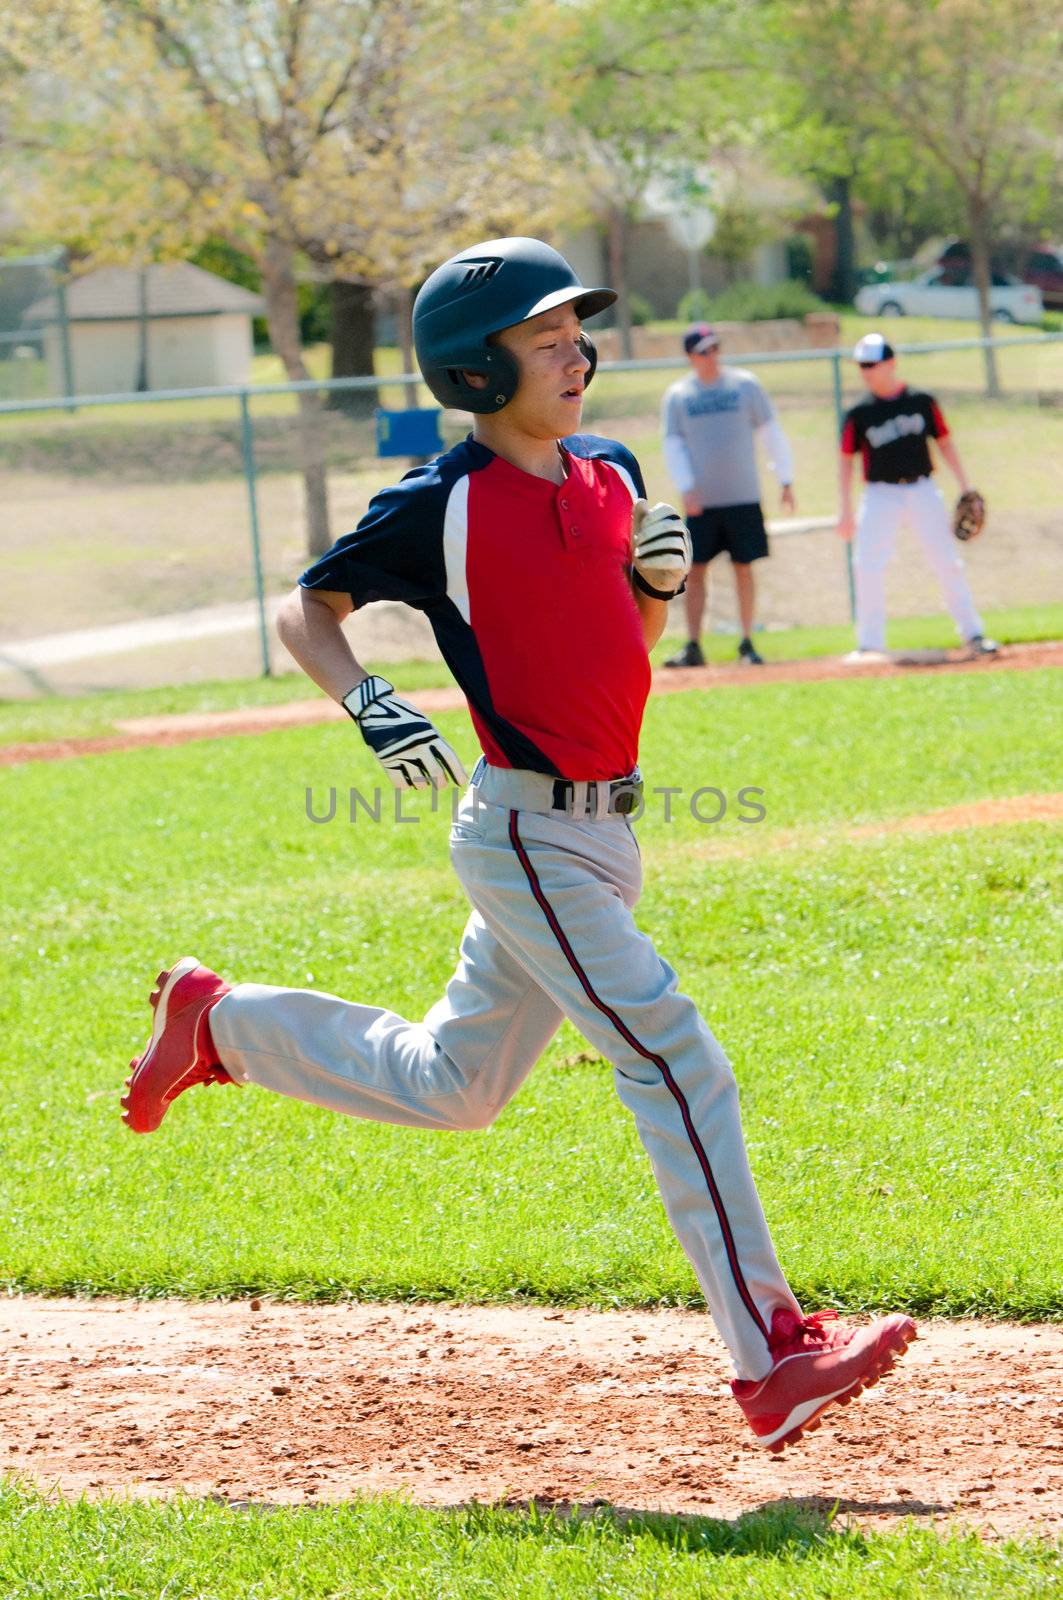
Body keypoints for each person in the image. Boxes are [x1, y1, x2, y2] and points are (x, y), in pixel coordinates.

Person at [121, 238, 915, 1452]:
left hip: (600, 835)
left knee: (455, 1086)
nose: (575, 353)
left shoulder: (610, 468)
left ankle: (220, 1022)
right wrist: (365, 696)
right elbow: (307, 603)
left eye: (575, 333)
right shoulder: (439, 502)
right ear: (476, 372)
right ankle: (772, 1355)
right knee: (675, 1056)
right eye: (543, 339)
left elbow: (626, 650)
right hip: (524, 832)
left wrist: (657, 582)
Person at [838, 332, 998, 661]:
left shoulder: (921, 401)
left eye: (871, 364)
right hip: (880, 494)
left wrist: (965, 485)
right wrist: (845, 510)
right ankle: (870, 644)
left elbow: (945, 442)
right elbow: (845, 461)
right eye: (861, 365)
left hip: (923, 489)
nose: (865, 371)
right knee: (866, 565)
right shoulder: (859, 413)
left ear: (891, 363)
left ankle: (973, 634)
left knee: (947, 563)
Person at [661, 323, 796, 668]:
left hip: (743, 496)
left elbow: (771, 432)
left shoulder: (745, 386)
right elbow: (673, 446)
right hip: (702, 502)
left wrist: (785, 478)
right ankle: (693, 645)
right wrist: (687, 487)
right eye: (704, 351)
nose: (712, 356)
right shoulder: (679, 396)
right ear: (690, 356)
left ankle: (747, 642)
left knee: (744, 568)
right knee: (696, 571)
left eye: (715, 348)